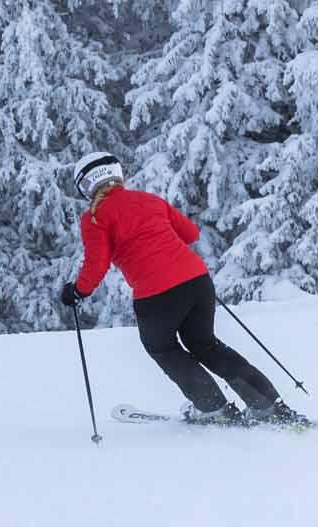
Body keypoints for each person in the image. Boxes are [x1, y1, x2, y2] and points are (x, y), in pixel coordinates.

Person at [57, 152, 287, 424]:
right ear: (116, 173)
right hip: (197, 281)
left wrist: (77, 291)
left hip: (156, 294)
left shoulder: (95, 218)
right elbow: (190, 233)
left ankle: (213, 408)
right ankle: (266, 404)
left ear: (86, 186)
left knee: (162, 347)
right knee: (206, 345)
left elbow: (97, 263)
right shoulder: (150, 199)